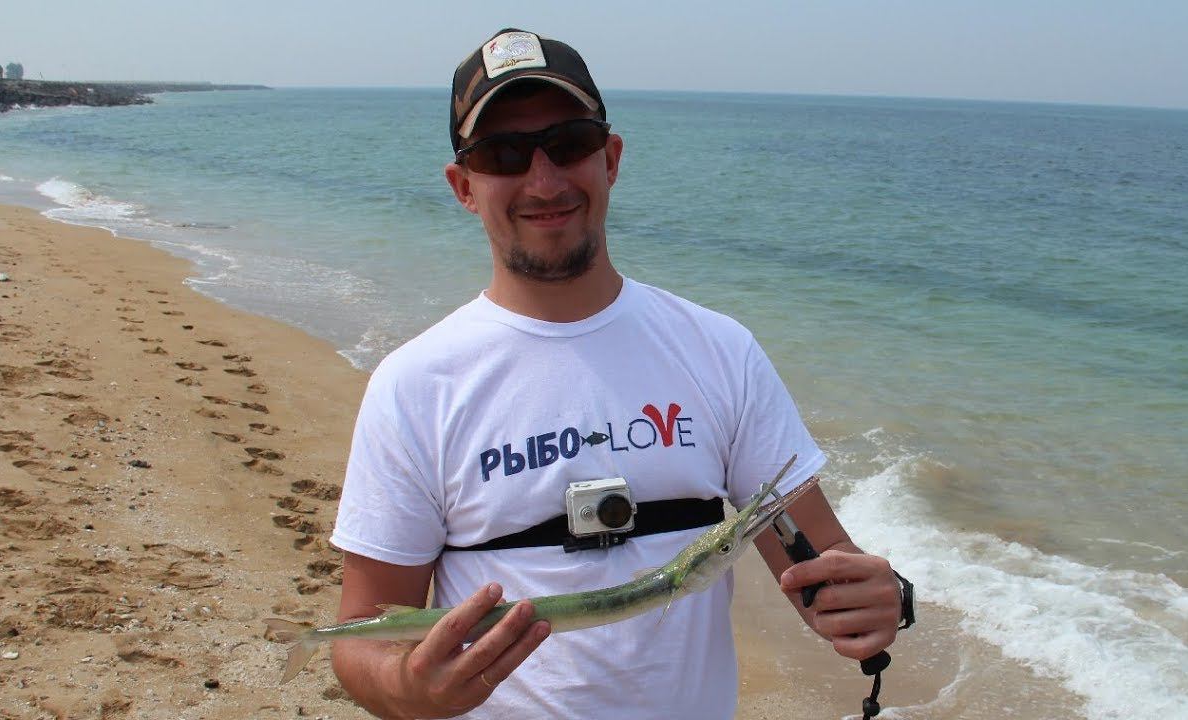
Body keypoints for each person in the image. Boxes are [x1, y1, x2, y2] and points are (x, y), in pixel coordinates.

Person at [329, 27, 907, 720]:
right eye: (503, 154)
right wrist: (409, 690)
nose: (544, 180)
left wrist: (876, 601)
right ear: (464, 187)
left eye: (570, 143)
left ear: (610, 158)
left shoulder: (721, 351)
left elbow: (822, 561)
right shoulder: (415, 386)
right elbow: (362, 632)